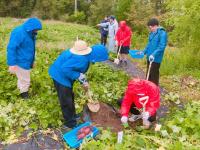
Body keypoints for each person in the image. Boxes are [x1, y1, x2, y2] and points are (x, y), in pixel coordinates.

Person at [48, 40, 108, 128]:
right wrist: (79, 76)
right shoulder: (81, 59)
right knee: (66, 100)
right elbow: (66, 69)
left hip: (62, 73)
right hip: (60, 77)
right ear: (96, 56)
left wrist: (83, 81)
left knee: (70, 96)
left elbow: (74, 68)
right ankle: (70, 123)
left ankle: (72, 116)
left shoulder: (84, 55)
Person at [7, 18, 42, 99]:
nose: (37, 31)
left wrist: (32, 61)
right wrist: (12, 64)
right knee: (26, 80)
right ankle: (24, 95)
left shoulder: (31, 33)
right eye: (36, 29)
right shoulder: (18, 33)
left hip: (27, 60)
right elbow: (11, 48)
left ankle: (20, 89)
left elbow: (31, 48)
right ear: (30, 28)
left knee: (22, 78)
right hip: (20, 61)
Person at [139, 18, 167, 85]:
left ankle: (154, 89)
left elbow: (162, 46)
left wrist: (153, 54)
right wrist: (143, 52)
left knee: (154, 74)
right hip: (150, 57)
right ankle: (148, 88)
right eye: (149, 28)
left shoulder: (162, 33)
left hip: (156, 58)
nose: (150, 29)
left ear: (155, 26)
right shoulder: (152, 33)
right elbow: (149, 44)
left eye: (151, 27)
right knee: (149, 73)